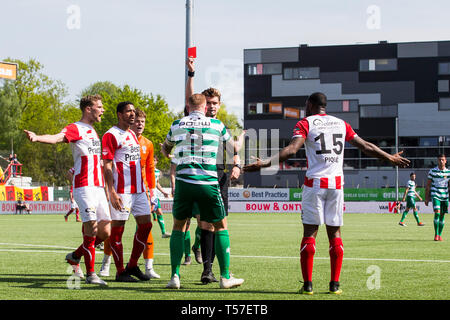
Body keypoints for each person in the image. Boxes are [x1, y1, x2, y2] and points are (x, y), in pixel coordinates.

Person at [244, 92, 410, 295]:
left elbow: (292, 150)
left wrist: (264, 164)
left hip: (315, 185)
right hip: (337, 185)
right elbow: (366, 146)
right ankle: (334, 286)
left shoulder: (306, 123)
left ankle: (308, 286)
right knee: (335, 234)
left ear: (311, 104)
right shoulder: (341, 123)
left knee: (309, 235)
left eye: (306, 105)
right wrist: (389, 157)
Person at [24, 94, 111, 286]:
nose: (103, 110)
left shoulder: (93, 131)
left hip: (98, 188)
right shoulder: (76, 128)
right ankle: (91, 274)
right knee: (92, 228)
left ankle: (74, 256)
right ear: (88, 109)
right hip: (84, 186)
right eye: (99, 106)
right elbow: (57, 138)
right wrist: (37, 137)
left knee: (105, 232)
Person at [161, 93, 244, 289]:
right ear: (205, 108)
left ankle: (174, 277)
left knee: (178, 226)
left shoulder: (176, 124)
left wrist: (170, 154)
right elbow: (233, 148)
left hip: (183, 182)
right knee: (221, 226)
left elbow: (166, 148)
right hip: (207, 182)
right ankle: (225, 277)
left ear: (188, 107)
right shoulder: (216, 125)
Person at [185, 57, 244, 284]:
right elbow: (189, 97)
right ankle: (209, 270)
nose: (211, 106)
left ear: (219, 105)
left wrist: (236, 164)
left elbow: (233, 149)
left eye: (215, 103)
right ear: (202, 105)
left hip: (220, 176)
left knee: (218, 223)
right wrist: (191, 74)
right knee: (205, 223)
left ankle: (214, 270)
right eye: (207, 102)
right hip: (200, 177)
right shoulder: (194, 120)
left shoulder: (221, 127)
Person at [102, 101, 153, 282]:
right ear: (119, 114)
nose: (132, 114)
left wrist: (147, 189)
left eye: (133, 111)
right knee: (117, 230)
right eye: (128, 112)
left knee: (146, 225)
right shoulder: (111, 135)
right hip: (121, 190)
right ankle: (120, 271)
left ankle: (132, 265)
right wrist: (111, 191)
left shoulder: (132, 133)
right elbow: (107, 164)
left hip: (138, 190)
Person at [425, 154, 449, 241]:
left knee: (442, 216)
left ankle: (439, 234)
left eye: (443, 160)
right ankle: (436, 234)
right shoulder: (432, 171)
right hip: (435, 194)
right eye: (439, 160)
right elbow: (428, 186)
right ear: (437, 161)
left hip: (445, 196)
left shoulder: (448, 172)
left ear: (445, 161)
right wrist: (426, 198)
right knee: (437, 213)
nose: (441, 161)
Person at [150, 157, 171, 238]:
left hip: (154, 195)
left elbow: (157, 183)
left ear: (157, 162)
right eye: (152, 160)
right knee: (145, 216)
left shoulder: (157, 172)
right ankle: (138, 233)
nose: (153, 161)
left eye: (155, 160)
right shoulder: (145, 169)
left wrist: (163, 192)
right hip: (147, 194)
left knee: (159, 212)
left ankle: (163, 233)